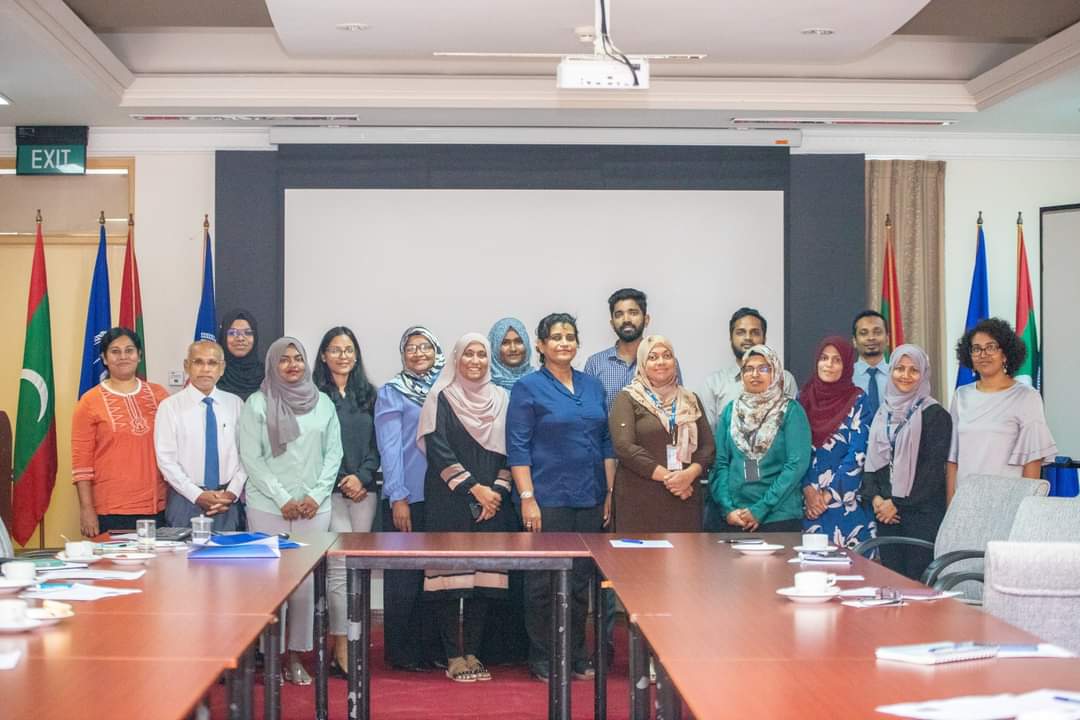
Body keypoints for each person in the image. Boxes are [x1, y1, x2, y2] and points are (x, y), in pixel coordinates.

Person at [507, 313, 615, 681]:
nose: (564, 343)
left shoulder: (592, 385)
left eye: (570, 336)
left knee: (581, 581)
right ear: (540, 345)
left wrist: (609, 493)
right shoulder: (528, 387)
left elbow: (606, 443)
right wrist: (526, 497)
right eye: (556, 337)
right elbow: (517, 447)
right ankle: (543, 657)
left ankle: (576, 654)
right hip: (546, 498)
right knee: (541, 583)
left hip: (589, 495)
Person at [238, 337, 343, 685]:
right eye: (284, 360)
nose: (293, 365)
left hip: (315, 509)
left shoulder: (323, 403)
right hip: (269, 507)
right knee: (270, 586)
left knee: (303, 587)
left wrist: (315, 495)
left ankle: (295, 656)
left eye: (298, 358)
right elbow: (252, 458)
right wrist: (283, 498)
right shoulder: (256, 404)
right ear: (272, 365)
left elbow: (334, 455)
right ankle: (271, 658)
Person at [417, 333, 514, 682]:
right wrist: (476, 490)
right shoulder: (441, 397)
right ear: (456, 359)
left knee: (482, 583)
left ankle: (472, 651)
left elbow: (512, 449)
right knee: (449, 580)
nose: (475, 360)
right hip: (450, 498)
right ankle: (452, 655)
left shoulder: (503, 398)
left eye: (481, 354)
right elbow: (438, 448)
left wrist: (496, 492)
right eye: (468, 354)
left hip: (492, 502)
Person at [375, 325, 445, 671]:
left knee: (435, 576)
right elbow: (389, 449)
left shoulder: (446, 389)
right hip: (407, 495)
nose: (419, 353)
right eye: (411, 348)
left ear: (436, 351)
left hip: (442, 497)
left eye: (425, 347)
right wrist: (397, 496)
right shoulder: (392, 392)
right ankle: (403, 652)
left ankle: (432, 647)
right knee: (405, 578)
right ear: (402, 354)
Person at [312, 326, 380, 677]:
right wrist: (342, 479)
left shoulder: (369, 395)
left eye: (349, 349)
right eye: (335, 349)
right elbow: (315, 448)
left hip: (364, 493)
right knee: (338, 572)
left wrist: (363, 477)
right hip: (330, 494)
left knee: (360, 570)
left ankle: (356, 641)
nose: (343, 355)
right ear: (323, 355)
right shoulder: (314, 396)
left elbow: (377, 446)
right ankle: (340, 646)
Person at [700, 307, 796, 531]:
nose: (748, 338)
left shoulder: (787, 387)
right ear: (731, 337)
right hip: (731, 495)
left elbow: (794, 458)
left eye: (755, 332)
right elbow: (716, 450)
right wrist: (727, 507)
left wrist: (761, 507)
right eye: (741, 332)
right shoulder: (718, 390)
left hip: (776, 504)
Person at [862, 344, 951, 580]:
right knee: (891, 582)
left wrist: (896, 504)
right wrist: (877, 499)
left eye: (913, 370)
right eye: (899, 368)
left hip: (920, 516)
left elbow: (932, 474)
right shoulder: (883, 413)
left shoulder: (936, 415)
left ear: (923, 374)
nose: (905, 375)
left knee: (918, 586)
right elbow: (872, 463)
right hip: (886, 515)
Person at [610, 335, 715, 532]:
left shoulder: (690, 399)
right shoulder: (628, 398)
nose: (661, 362)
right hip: (641, 499)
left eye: (667, 356)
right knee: (638, 561)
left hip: (685, 499)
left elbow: (708, 447)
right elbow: (624, 447)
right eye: (653, 357)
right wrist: (671, 478)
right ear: (642, 363)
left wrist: (688, 475)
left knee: (685, 560)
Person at [72, 327, 170, 537]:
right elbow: (81, 464)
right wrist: (86, 509)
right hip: (110, 508)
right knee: (114, 567)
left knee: (157, 567)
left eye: (129, 350)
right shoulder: (89, 402)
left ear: (139, 355)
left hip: (156, 506)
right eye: (115, 351)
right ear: (104, 358)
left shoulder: (159, 395)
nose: (123, 356)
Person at [947, 318, 1057, 503]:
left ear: (1005, 354)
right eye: (976, 349)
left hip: (1007, 503)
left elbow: (1033, 460)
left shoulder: (1026, 397)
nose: (983, 354)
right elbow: (952, 458)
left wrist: (1024, 509)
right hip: (966, 503)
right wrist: (950, 507)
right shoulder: (961, 396)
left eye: (991, 347)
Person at [710, 345, 811, 533]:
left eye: (763, 369)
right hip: (736, 518)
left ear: (776, 373)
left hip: (779, 517)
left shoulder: (791, 411)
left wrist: (760, 509)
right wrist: (728, 508)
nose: (755, 374)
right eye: (748, 369)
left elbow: (796, 465)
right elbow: (720, 463)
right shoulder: (731, 411)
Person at [154, 340, 245, 531]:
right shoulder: (170, 407)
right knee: (183, 560)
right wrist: (197, 495)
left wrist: (231, 493)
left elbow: (247, 455)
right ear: (187, 366)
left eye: (212, 363)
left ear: (221, 368)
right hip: (185, 500)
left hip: (226, 502)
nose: (205, 369)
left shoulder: (236, 405)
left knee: (230, 559)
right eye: (198, 362)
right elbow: (166, 460)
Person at [799, 336, 875, 548]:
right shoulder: (802, 399)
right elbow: (794, 453)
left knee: (851, 576)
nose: (829, 365)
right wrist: (808, 491)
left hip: (846, 506)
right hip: (808, 506)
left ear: (847, 365)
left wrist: (827, 495)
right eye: (824, 358)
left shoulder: (858, 400)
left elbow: (858, 454)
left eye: (837, 360)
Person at [583, 288, 653, 412]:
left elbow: (676, 410)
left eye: (633, 312)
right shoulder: (595, 364)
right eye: (619, 314)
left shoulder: (663, 362)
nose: (626, 319)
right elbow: (589, 414)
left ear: (646, 319)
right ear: (612, 323)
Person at [216, 309, 264, 401]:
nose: (240, 338)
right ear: (223, 337)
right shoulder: (213, 374)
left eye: (248, 333)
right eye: (232, 333)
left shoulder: (267, 376)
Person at [851, 310, 890, 419]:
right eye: (864, 333)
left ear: (887, 339)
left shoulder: (898, 376)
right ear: (854, 341)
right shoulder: (845, 377)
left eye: (877, 332)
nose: (871, 338)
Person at [488, 317, 534, 391]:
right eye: (505, 343)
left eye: (518, 341)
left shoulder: (540, 383)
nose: (513, 349)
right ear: (494, 348)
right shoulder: (483, 387)